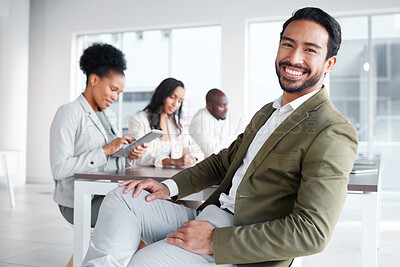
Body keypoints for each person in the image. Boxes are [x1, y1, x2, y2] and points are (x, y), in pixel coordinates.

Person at [83, 7, 359, 267]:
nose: (294, 57)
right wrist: (169, 186)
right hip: (208, 215)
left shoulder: (331, 129)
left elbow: (311, 232)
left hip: (239, 244)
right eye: (288, 44)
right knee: (122, 198)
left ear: (330, 63)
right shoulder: (269, 112)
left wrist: (215, 241)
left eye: (310, 50)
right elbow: (223, 162)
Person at [50, 43, 146, 227]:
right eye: (113, 89)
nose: (115, 97)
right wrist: (105, 150)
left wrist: (129, 155)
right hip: (79, 201)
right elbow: (59, 168)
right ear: (94, 80)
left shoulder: (108, 115)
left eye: (119, 92)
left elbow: (111, 162)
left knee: (149, 201)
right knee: (138, 210)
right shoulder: (68, 112)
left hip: (106, 190)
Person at [128, 77, 204, 167]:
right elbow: (139, 158)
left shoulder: (177, 123)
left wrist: (191, 159)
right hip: (145, 176)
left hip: (171, 178)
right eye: (172, 97)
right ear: (162, 95)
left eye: (179, 101)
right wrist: (173, 162)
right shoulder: (139, 119)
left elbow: (198, 152)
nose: (175, 104)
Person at [189, 89, 239, 157]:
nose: (226, 109)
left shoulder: (217, 117)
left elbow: (234, 144)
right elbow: (212, 153)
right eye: (222, 106)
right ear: (209, 105)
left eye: (226, 105)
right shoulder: (200, 121)